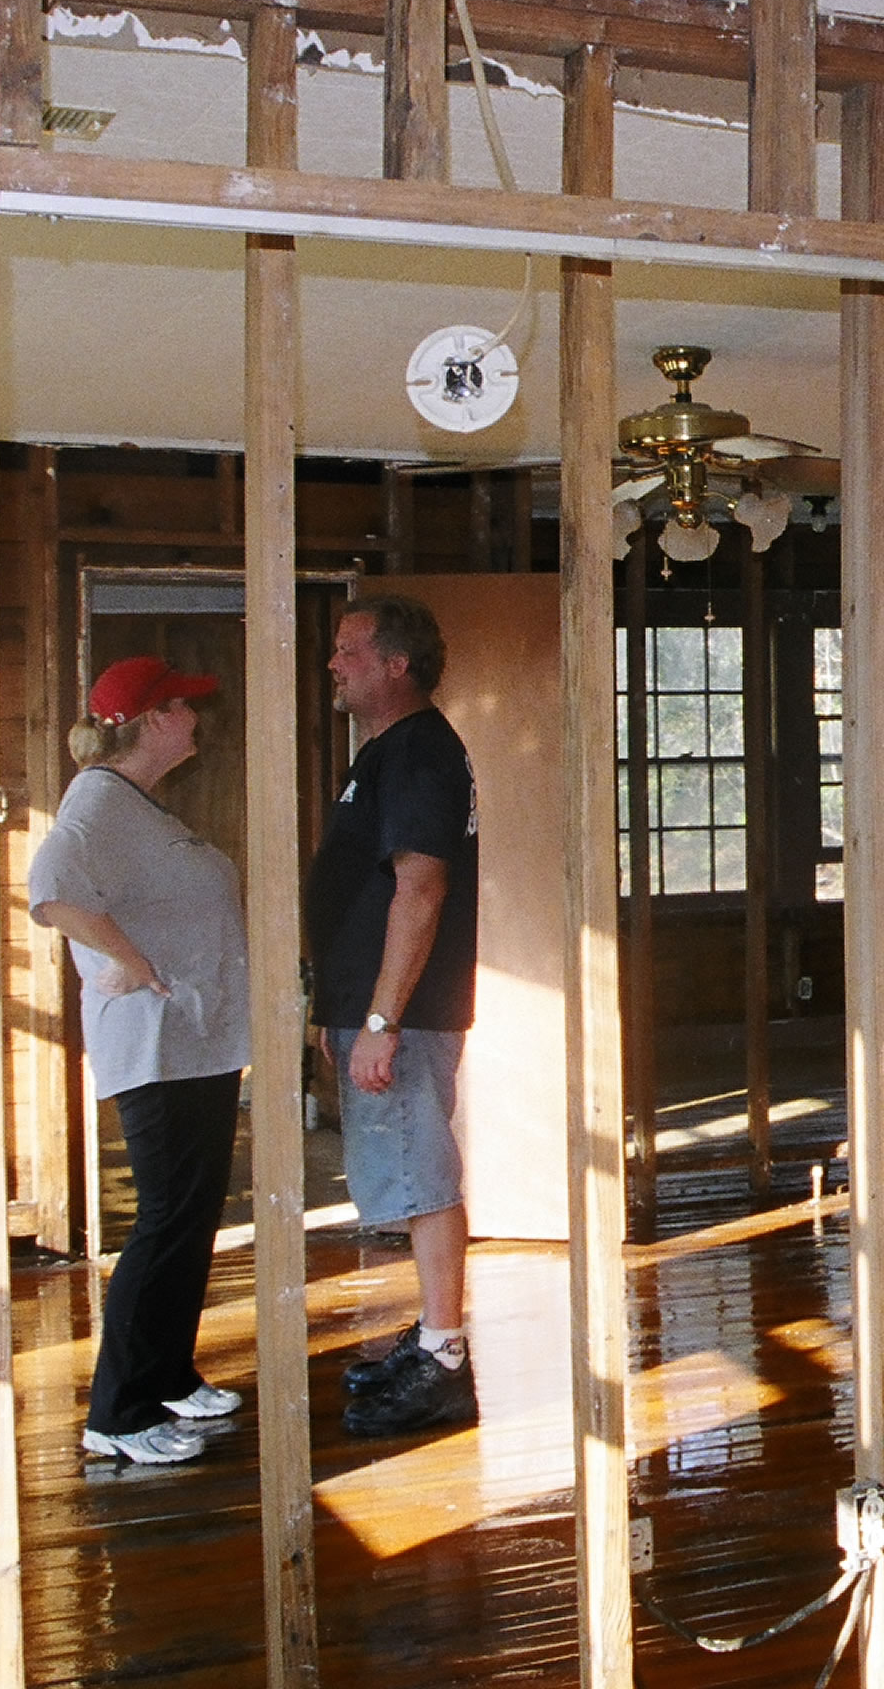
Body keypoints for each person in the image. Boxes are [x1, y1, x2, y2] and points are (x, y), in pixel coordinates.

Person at [30, 654, 253, 1467]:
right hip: (156, 1044)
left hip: (194, 1042)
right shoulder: (98, 798)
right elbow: (52, 888)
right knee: (166, 1218)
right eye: (185, 706)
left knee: (191, 1215)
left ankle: (166, 1374)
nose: (197, 718)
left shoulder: (136, 804)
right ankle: (118, 1414)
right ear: (155, 719)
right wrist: (129, 961)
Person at [307, 595, 482, 1439]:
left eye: (348, 651)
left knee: (422, 1176)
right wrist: (340, 1010)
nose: (333, 665)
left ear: (395, 664)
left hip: (402, 1018)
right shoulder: (387, 752)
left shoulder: (417, 753)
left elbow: (421, 889)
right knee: (410, 1177)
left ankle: (444, 1360)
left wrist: (380, 1020)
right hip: (377, 1010)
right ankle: (430, 1338)